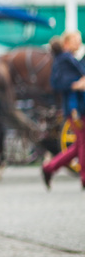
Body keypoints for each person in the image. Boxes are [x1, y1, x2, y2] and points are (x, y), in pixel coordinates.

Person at [42, 30, 85, 190]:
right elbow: (57, 83)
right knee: (82, 143)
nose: (78, 42)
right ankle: (83, 178)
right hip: (75, 109)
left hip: (79, 107)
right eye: (75, 40)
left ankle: (49, 167)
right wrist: (75, 84)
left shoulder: (73, 59)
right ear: (66, 42)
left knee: (79, 144)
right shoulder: (63, 60)